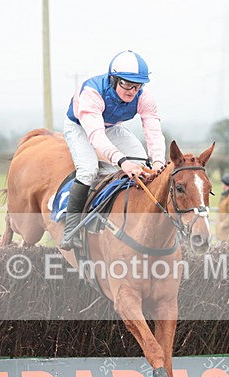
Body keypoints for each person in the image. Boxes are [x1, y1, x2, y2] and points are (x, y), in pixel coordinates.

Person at [60, 50, 166, 250]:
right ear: (113, 79)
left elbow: (153, 131)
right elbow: (96, 136)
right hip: (81, 127)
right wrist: (122, 161)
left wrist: (159, 162)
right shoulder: (92, 92)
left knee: (143, 165)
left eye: (137, 85)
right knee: (88, 170)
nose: (132, 91)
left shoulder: (144, 97)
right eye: (126, 83)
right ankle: (71, 229)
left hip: (111, 127)